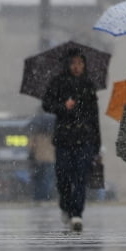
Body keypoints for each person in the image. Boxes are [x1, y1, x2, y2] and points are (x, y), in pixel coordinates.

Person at [41, 49, 101, 232]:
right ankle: (66, 207)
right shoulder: (58, 83)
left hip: (84, 138)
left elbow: (94, 115)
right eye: (73, 63)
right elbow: (46, 104)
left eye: (80, 63)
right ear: (68, 64)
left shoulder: (89, 85)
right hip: (64, 139)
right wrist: (63, 107)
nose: (77, 67)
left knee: (80, 177)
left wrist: (97, 142)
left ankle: (77, 214)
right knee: (64, 177)